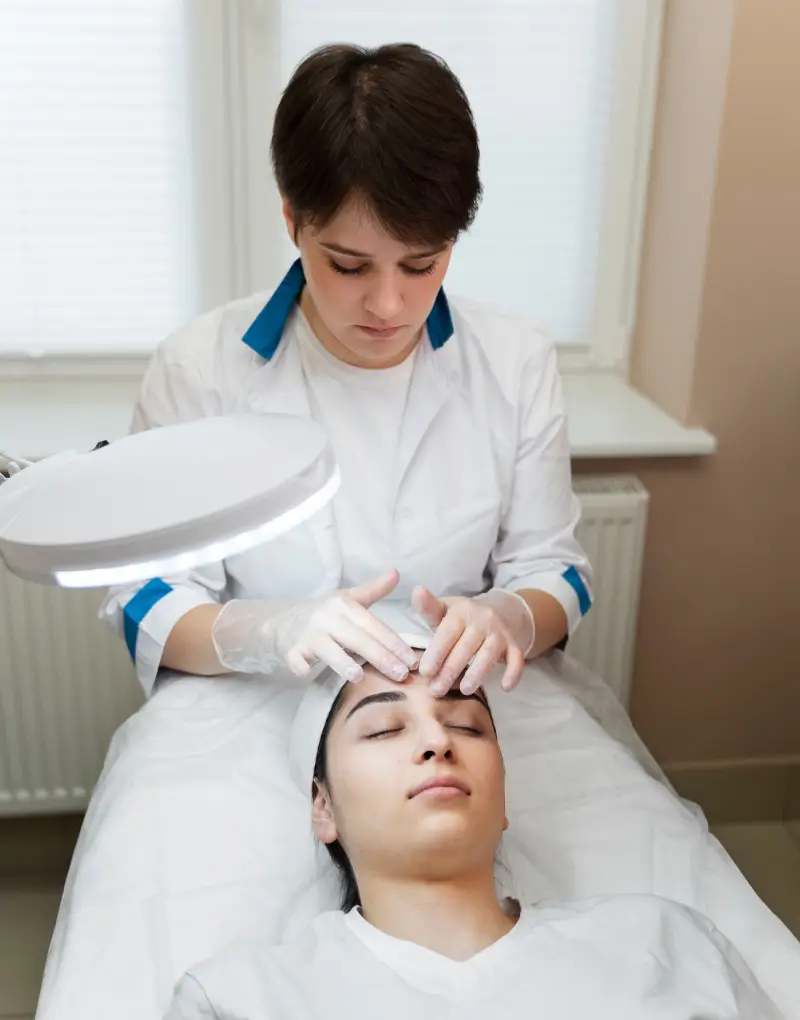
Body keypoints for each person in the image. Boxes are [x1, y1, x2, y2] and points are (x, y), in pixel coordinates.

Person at [101, 41, 593, 701]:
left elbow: (556, 569)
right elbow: (144, 598)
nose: (388, 304)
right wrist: (269, 631)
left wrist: (509, 615)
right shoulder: (199, 369)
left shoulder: (516, 359)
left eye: (421, 264)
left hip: (449, 702)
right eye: (349, 265)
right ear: (292, 220)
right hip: (259, 700)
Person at [165, 664, 782, 1019]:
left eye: (467, 724)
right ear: (322, 807)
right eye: (383, 729)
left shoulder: (662, 940)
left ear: (503, 800)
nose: (438, 741)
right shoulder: (240, 998)